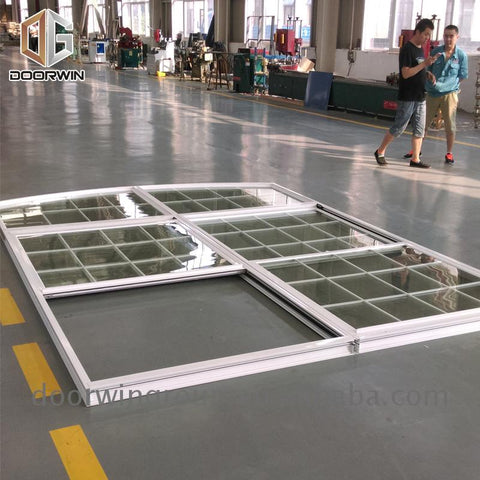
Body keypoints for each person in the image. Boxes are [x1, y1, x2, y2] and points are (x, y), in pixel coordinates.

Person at [374, 18, 440, 169]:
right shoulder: (407, 50)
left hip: (420, 95)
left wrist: (427, 73)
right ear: (418, 32)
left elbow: (418, 68)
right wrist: (424, 64)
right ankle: (380, 151)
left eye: (429, 35)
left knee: (419, 129)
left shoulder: (420, 49)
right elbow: (406, 73)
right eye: (426, 34)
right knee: (399, 127)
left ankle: (415, 159)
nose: (427, 38)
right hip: (408, 96)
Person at [404, 25, 468, 165]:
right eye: (446, 36)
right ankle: (416, 151)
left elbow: (462, 75)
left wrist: (452, 86)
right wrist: (430, 79)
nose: (448, 39)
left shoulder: (461, 56)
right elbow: (427, 69)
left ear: (457, 37)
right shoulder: (436, 52)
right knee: (423, 124)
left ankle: (449, 153)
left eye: (451, 36)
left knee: (450, 126)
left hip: (450, 94)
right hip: (432, 93)